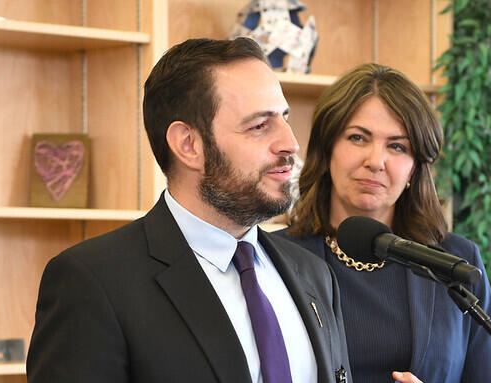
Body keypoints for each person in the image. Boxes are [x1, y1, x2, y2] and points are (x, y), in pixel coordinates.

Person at [27, 38, 351, 383]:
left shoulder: (314, 274)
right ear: (188, 144)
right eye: (260, 125)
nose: (290, 143)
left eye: (284, 119)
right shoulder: (93, 282)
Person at [277, 63, 491, 383]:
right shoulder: (275, 259)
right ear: (327, 148)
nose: (375, 161)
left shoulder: (456, 263)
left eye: (397, 146)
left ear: (415, 167)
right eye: (358, 138)